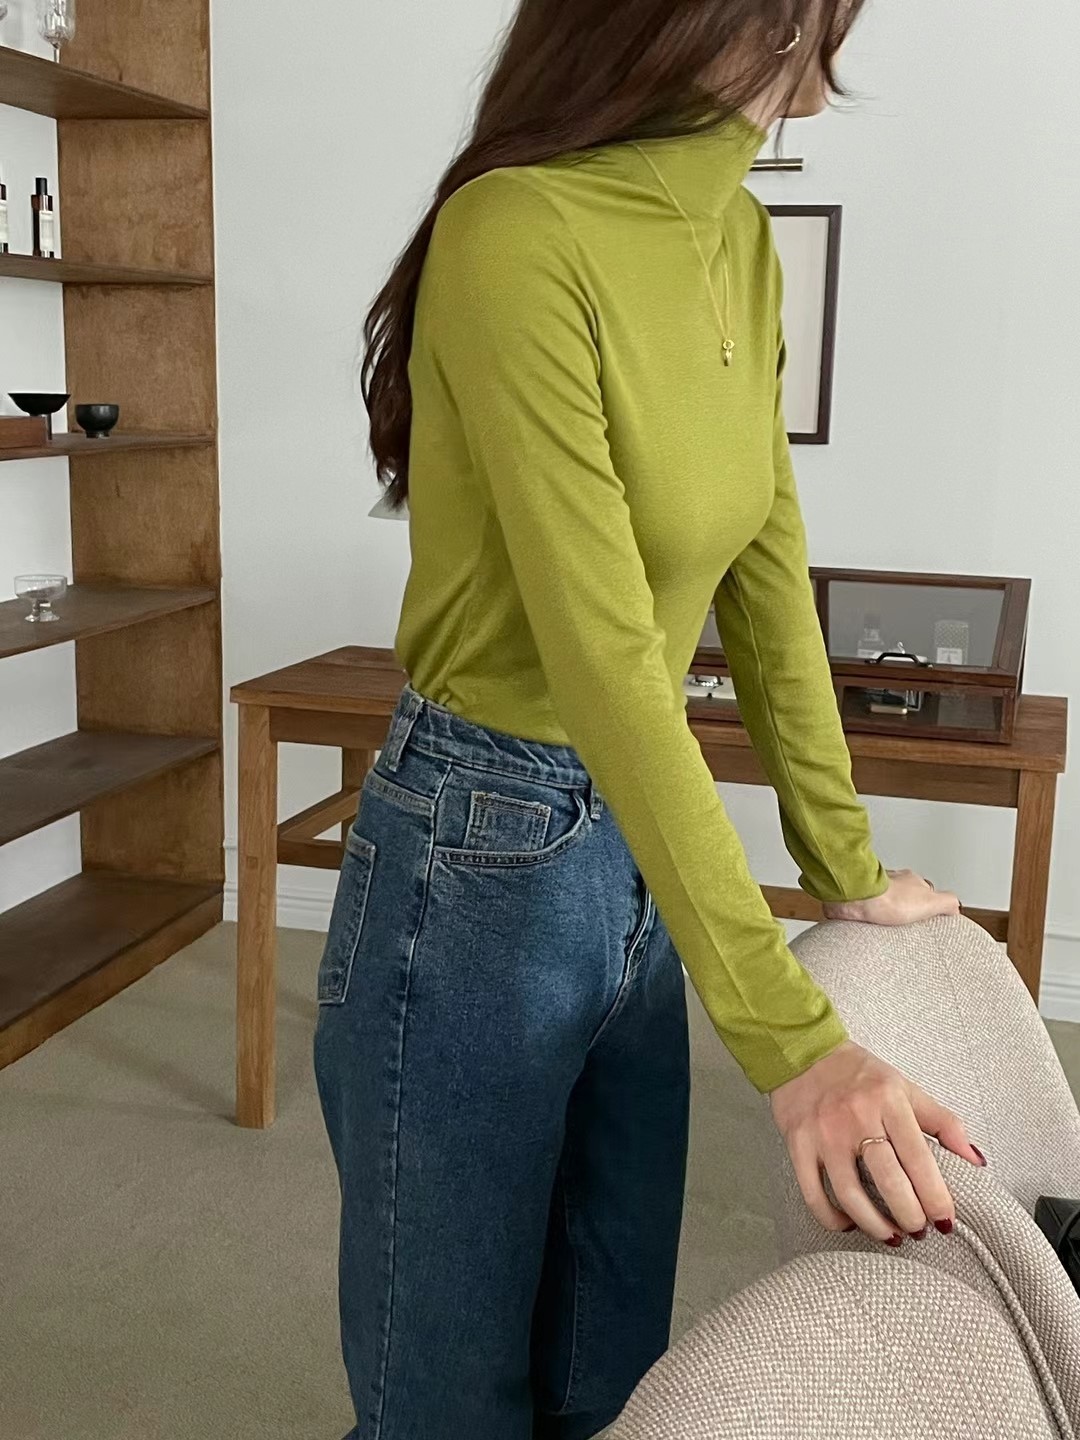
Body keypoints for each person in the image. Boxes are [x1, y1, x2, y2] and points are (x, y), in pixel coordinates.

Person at [314, 2, 984, 1436]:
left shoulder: (737, 237)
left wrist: (844, 861)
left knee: (613, 1375)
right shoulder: (516, 232)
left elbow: (767, 565)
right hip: (475, 852)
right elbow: (612, 660)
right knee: (446, 1405)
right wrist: (797, 1047)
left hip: (632, 842)